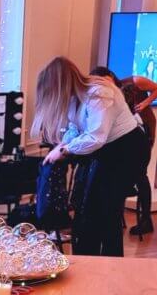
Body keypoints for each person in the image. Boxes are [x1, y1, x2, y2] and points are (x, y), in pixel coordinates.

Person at [32, 57, 148, 256]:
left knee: (107, 212)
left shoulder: (99, 94)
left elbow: (95, 137)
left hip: (128, 150)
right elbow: (74, 128)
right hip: (108, 150)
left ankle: (110, 268)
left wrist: (64, 150)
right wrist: (61, 145)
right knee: (89, 210)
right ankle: (90, 263)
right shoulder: (74, 98)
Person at [91, 65, 156, 235]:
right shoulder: (108, 93)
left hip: (144, 128)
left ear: (110, 76)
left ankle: (146, 219)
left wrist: (145, 103)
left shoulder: (134, 81)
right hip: (127, 134)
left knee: (140, 174)